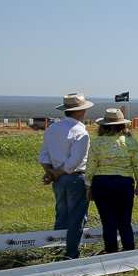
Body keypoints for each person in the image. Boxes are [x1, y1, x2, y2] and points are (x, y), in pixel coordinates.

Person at [38, 92, 94, 260]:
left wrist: (51, 172)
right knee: (77, 219)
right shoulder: (80, 132)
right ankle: (71, 255)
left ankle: (56, 250)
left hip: (57, 179)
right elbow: (75, 161)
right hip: (75, 178)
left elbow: (44, 155)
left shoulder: (52, 129)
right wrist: (57, 172)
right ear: (81, 112)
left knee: (61, 215)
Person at [84, 108, 138, 254]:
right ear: (123, 126)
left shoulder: (97, 143)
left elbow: (91, 166)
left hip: (101, 183)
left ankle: (111, 253)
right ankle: (129, 251)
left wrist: (88, 186)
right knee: (125, 222)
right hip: (125, 183)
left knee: (108, 222)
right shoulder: (130, 143)